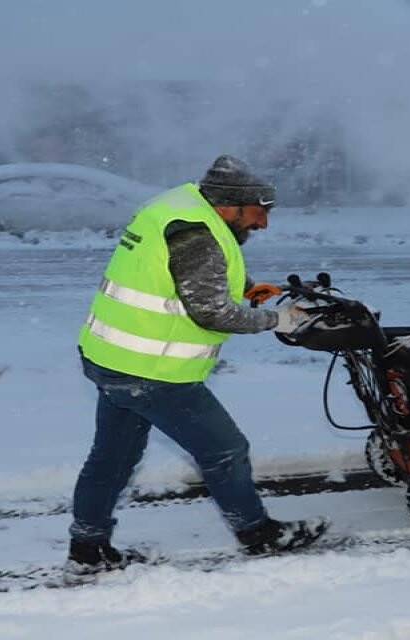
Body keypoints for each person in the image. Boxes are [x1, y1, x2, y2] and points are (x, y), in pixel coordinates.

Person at [69, 155, 328, 570]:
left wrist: (246, 289)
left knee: (111, 459)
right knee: (225, 450)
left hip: (111, 358)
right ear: (230, 205)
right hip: (152, 372)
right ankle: (257, 534)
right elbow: (212, 313)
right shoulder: (196, 232)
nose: (262, 224)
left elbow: (183, 273)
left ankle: (87, 550)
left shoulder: (179, 207)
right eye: (257, 214)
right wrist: (279, 319)